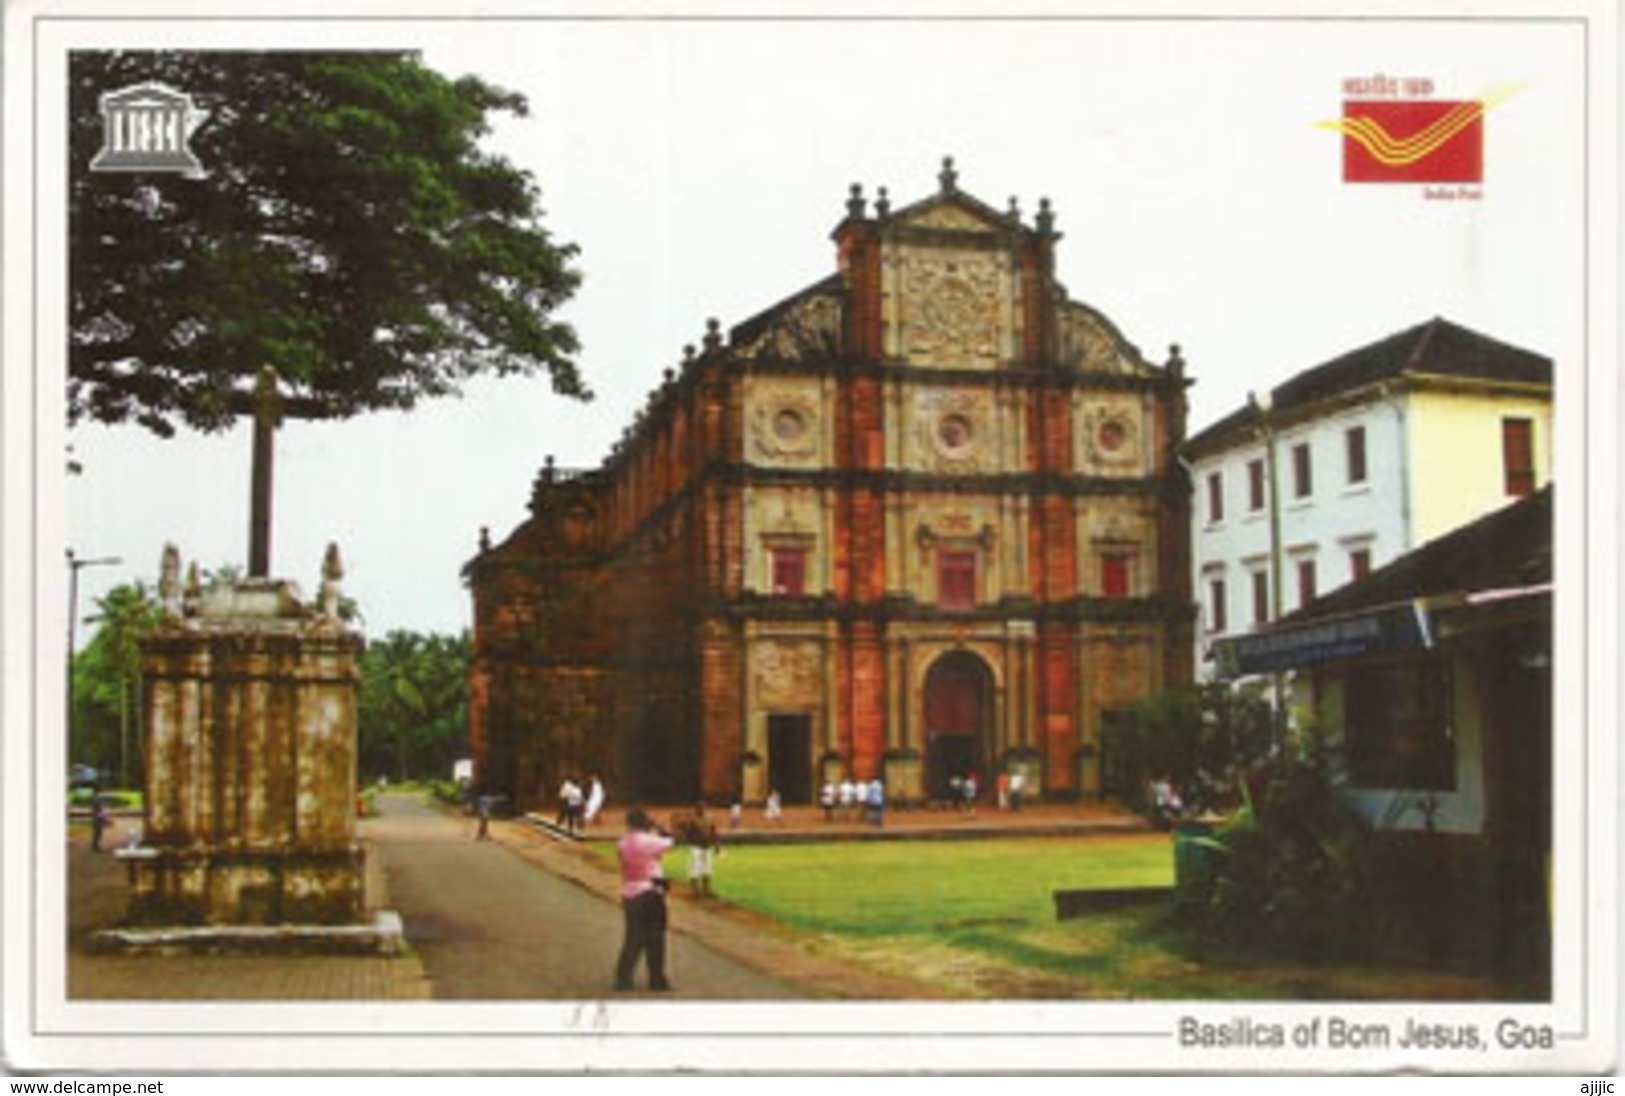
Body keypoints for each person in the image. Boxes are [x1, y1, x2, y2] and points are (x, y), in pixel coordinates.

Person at [614, 807, 675, 992]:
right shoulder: (651, 841)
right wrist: (659, 826)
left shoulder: (622, 843)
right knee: (656, 937)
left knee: (633, 937)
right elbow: (671, 841)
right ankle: (656, 979)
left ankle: (623, 978)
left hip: (629, 891)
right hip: (651, 891)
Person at [683, 803, 721, 896]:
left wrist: (716, 845)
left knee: (708, 868)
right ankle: (694, 889)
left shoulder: (709, 819)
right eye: (699, 808)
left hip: (707, 847)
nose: (701, 809)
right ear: (696, 810)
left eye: (702, 808)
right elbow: (688, 833)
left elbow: (714, 832)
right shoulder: (693, 820)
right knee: (695, 868)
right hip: (697, 847)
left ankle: (706, 889)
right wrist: (692, 842)